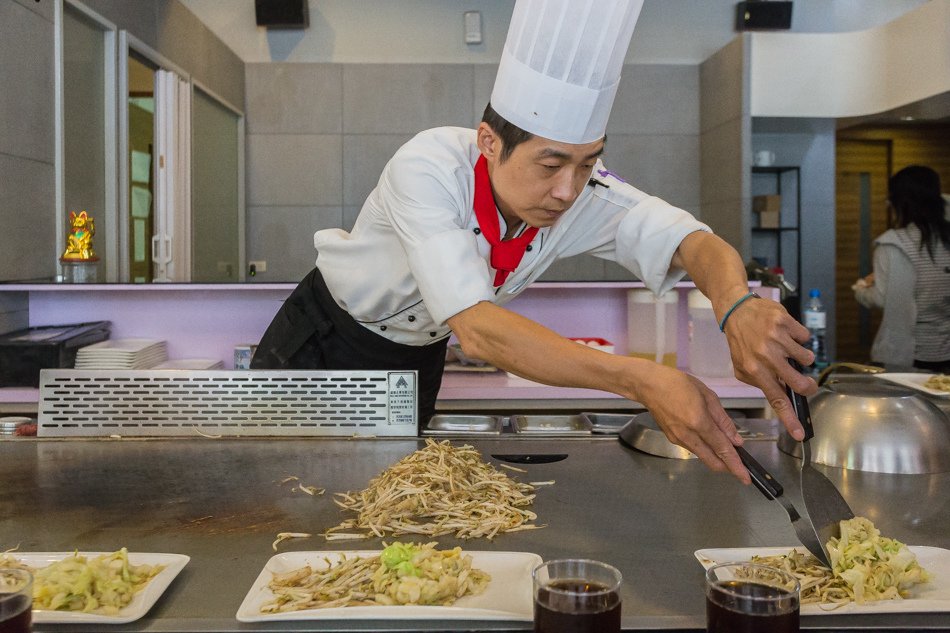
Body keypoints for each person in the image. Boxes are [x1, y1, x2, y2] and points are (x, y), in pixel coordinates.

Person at [252, 0, 816, 484]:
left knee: (375, 506)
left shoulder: (580, 191)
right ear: (489, 142)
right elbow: (478, 329)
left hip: (413, 359)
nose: (568, 190)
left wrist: (736, 304)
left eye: (587, 163)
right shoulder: (427, 166)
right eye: (550, 164)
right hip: (324, 340)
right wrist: (642, 379)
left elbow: (694, 241)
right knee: (278, 495)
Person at [853, 165, 950, 372]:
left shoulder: (892, 244)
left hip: (908, 354)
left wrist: (861, 288)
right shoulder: (946, 239)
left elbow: (880, 298)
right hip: (945, 351)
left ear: (899, 202)